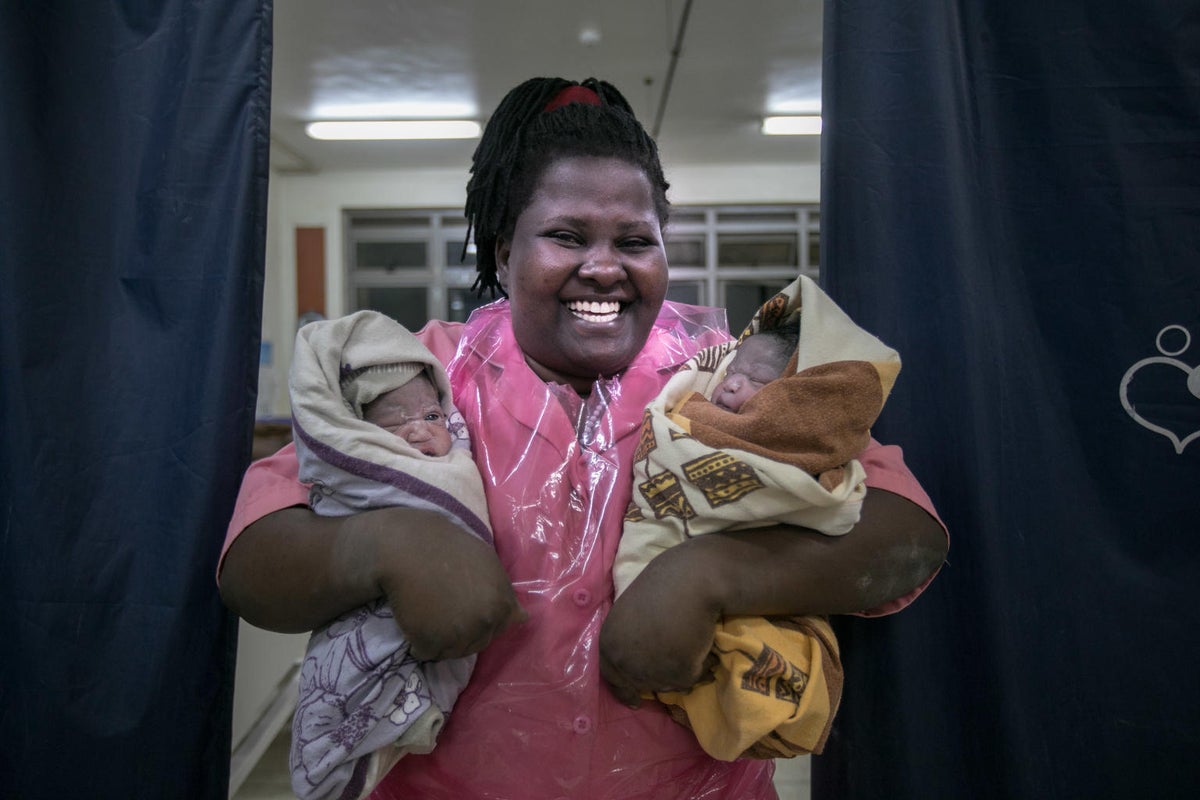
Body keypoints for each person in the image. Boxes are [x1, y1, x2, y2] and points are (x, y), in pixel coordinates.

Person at [219, 76, 948, 799]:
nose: (604, 266)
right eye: (567, 236)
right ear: (504, 253)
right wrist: (385, 548)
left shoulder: (729, 377)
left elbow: (907, 531)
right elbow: (252, 560)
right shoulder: (416, 380)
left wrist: (712, 575)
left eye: (635, 240)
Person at [615, 275, 902, 761]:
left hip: (697, 765)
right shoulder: (696, 388)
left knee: (756, 676)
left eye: (759, 382)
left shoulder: (817, 431)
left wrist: (702, 573)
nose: (730, 382)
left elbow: (898, 532)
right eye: (735, 372)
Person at [285, 310, 495, 800]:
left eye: (431, 417)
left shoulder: (456, 453)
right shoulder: (357, 463)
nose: (421, 433)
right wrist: (393, 544)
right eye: (395, 425)